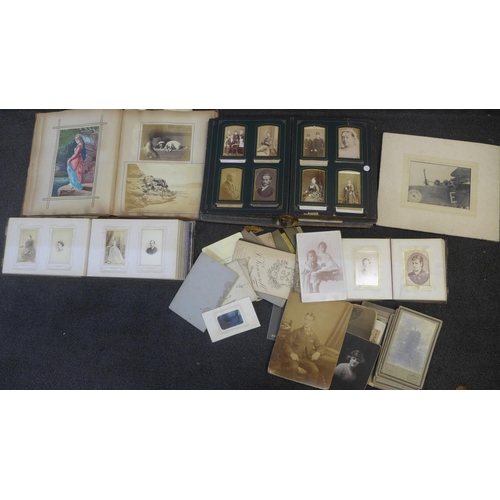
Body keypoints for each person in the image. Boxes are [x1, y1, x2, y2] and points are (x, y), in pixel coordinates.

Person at [282, 312, 326, 387]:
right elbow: (286, 344)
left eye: (309, 320)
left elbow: (321, 347)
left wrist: (318, 353)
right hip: (294, 358)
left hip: (306, 360)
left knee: (315, 371)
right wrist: (292, 354)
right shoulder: (296, 331)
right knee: (293, 368)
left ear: (313, 323)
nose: (306, 322)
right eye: (306, 319)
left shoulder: (314, 335)